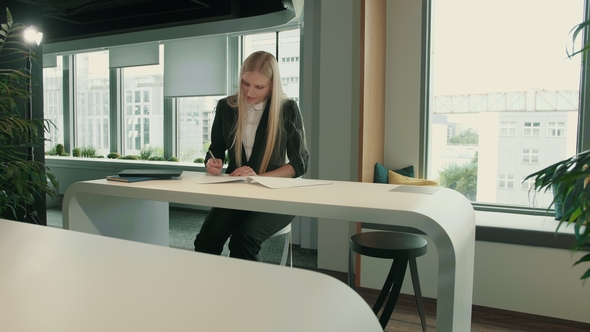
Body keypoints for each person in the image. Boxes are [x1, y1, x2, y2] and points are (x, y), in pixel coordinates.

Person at [194, 51, 309, 261]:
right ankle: (209, 291)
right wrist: (212, 162)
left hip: (277, 194)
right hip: (237, 191)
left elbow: (299, 164)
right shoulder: (226, 107)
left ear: (272, 85)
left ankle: (251, 293)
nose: (249, 92)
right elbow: (216, 150)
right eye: (246, 83)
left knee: (243, 239)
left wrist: (257, 176)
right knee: (206, 240)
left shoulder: (287, 109)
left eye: (259, 87)